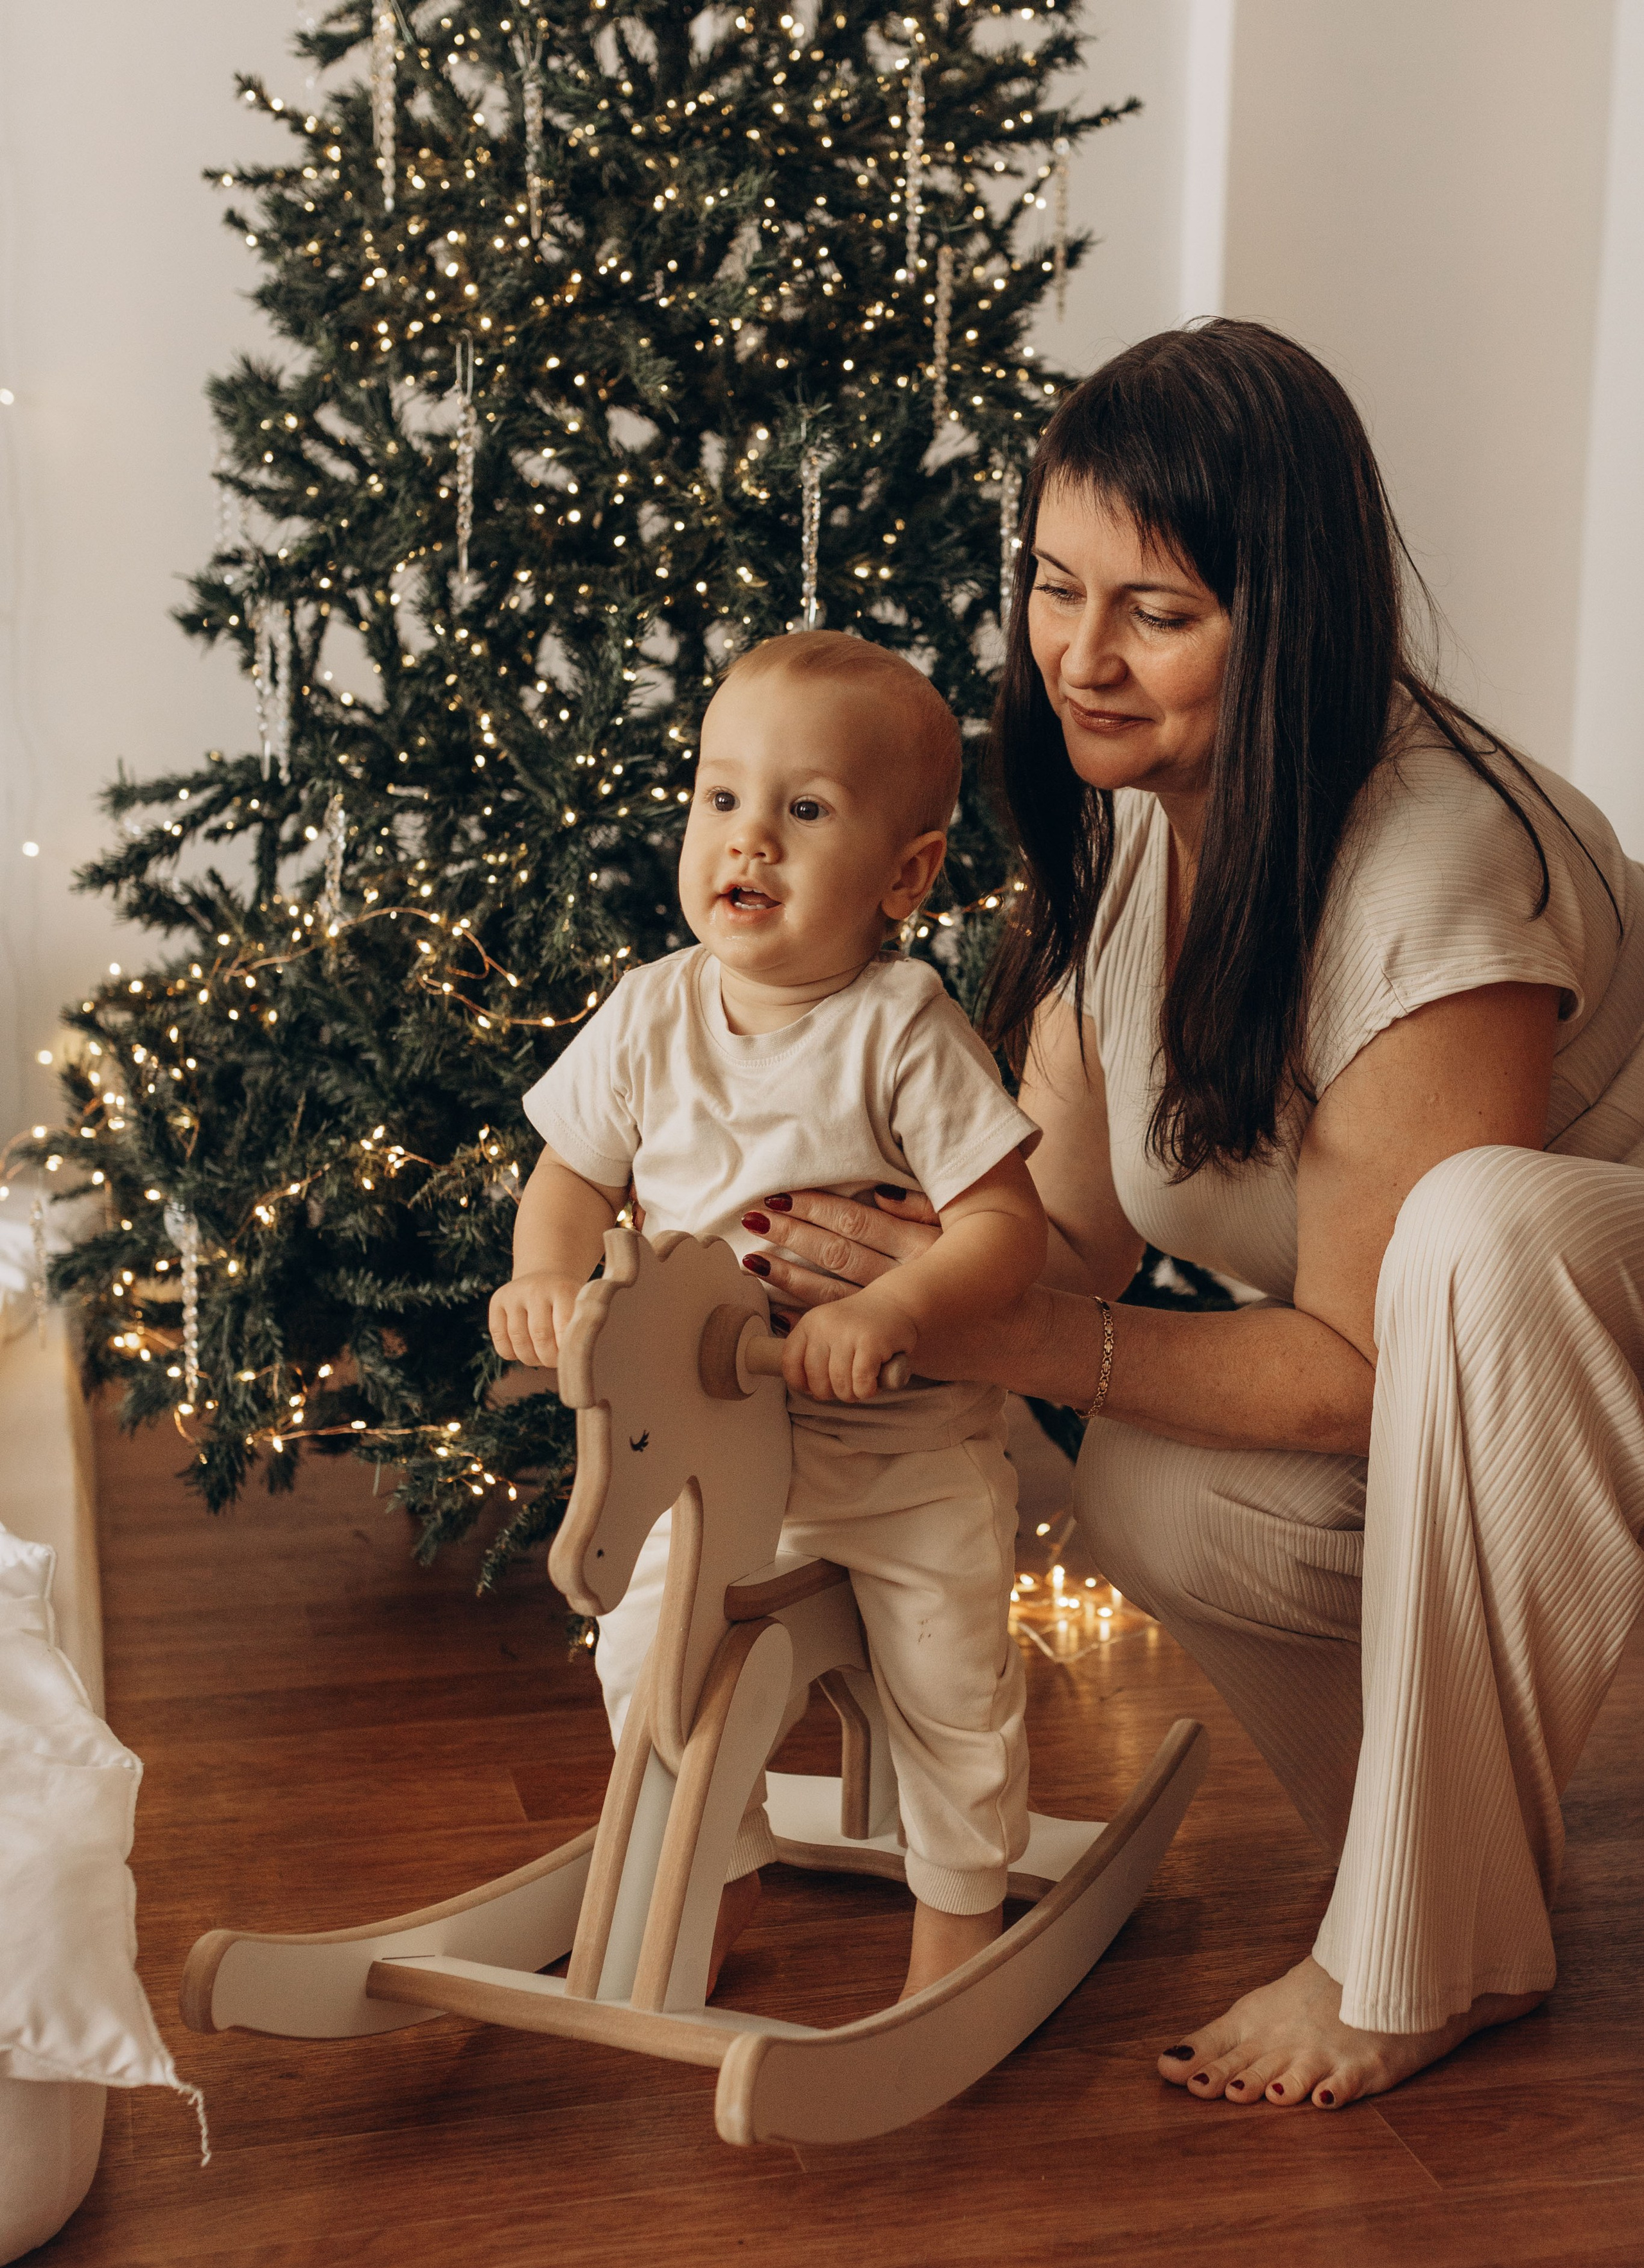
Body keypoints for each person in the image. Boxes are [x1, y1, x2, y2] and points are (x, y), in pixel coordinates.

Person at [740, 320, 1644, 2108]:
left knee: (1482, 1229)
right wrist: (895, 1260)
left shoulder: (1436, 868)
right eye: (1053, 587)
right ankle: (1444, 1885)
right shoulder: (1142, 807)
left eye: (1155, 612)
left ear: (1289, 618)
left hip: (1575, 1358)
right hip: (1470, 1412)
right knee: (1151, 1487)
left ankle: (1418, 1952)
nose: (1079, 658)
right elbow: (1072, 1231)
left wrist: (1016, 1331)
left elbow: (1374, 1366)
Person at [489, 629, 1048, 2000]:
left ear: (904, 876)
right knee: (642, 1647)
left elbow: (1005, 1226)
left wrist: (894, 1307)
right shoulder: (649, 1013)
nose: (747, 841)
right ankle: (719, 1863)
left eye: (803, 810)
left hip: (897, 1457)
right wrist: (548, 1276)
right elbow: (571, 1177)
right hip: (718, 1455)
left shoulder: (901, 1028)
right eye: (721, 799)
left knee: (948, 1681)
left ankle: (956, 1917)